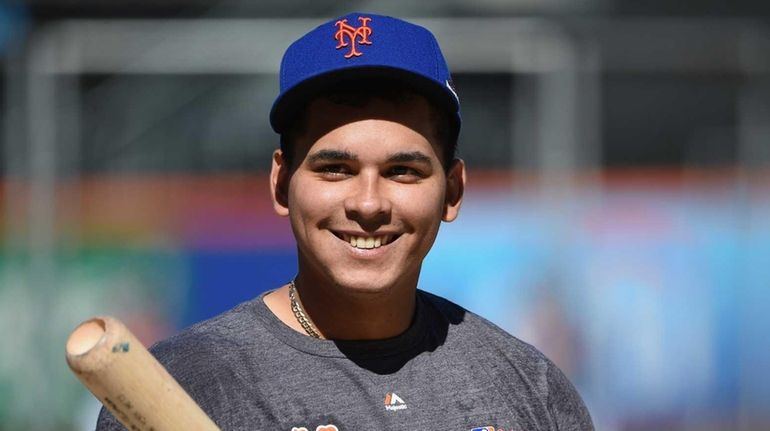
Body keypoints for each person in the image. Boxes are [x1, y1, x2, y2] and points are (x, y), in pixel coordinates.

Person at [97, 12, 593, 431]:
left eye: (403, 171)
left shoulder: (531, 391)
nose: (369, 203)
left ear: (453, 190)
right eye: (336, 168)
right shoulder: (191, 383)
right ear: (281, 183)